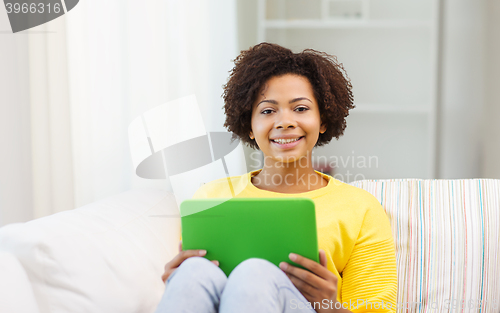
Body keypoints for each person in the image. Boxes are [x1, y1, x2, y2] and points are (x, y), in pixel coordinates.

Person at [154, 43, 397, 313]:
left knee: (255, 271)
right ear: (249, 126)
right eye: (268, 111)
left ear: (323, 120)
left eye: (301, 109)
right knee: (194, 272)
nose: (285, 121)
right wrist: (177, 282)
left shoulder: (361, 207)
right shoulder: (210, 197)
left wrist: (330, 305)